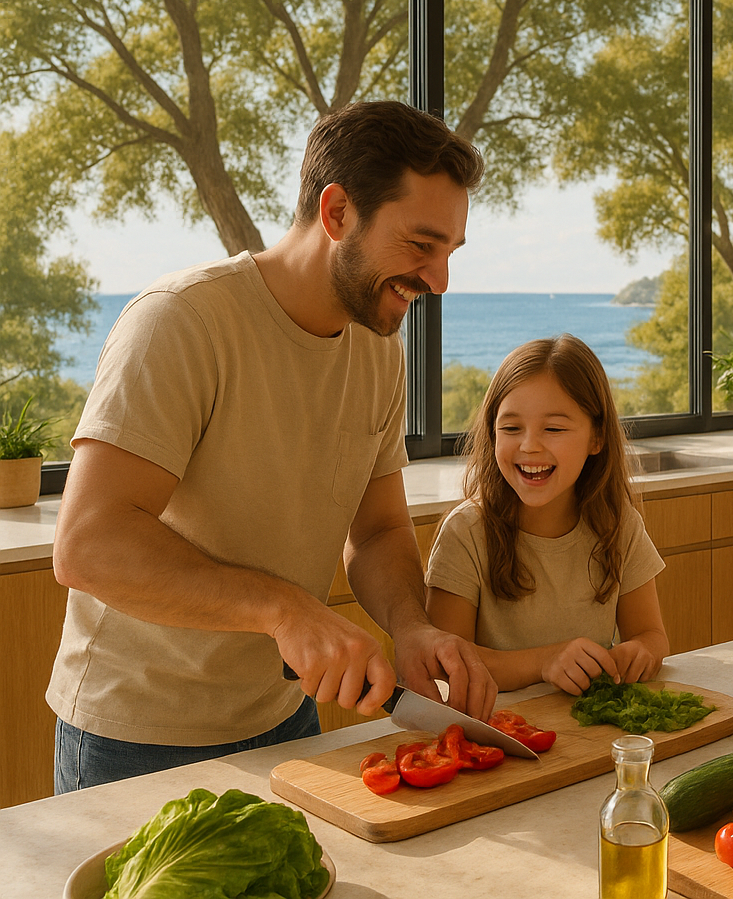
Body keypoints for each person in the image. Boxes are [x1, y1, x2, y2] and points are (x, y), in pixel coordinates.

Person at [49, 100, 498, 793]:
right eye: (421, 245)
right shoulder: (182, 322)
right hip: (135, 738)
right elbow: (88, 544)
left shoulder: (378, 354)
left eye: (448, 253)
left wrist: (410, 627)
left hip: (286, 721)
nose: (438, 282)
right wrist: (283, 609)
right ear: (338, 211)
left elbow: (377, 533)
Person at [425, 334, 669, 694]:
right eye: (510, 428)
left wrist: (641, 651)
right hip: (498, 734)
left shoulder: (620, 525)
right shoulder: (465, 533)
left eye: (553, 429)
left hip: (587, 730)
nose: (529, 446)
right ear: (492, 434)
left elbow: (652, 636)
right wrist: (546, 662)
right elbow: (448, 664)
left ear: (596, 438)